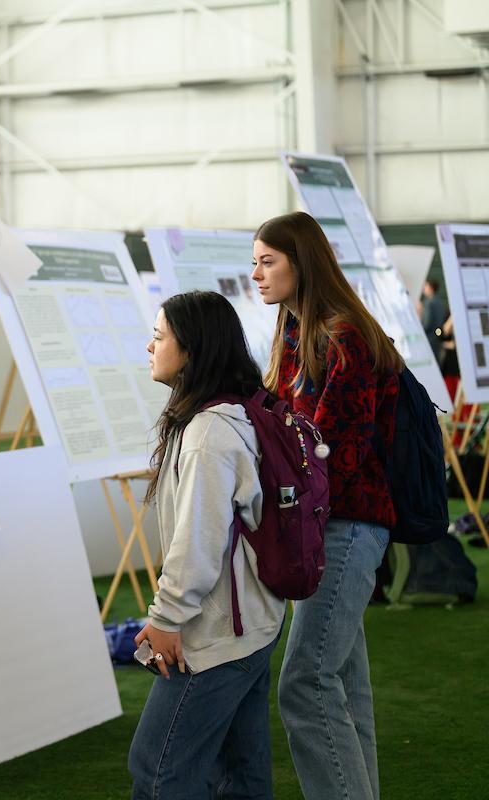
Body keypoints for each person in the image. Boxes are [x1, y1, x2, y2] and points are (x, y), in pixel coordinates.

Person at [253, 211, 401, 800]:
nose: (257, 274)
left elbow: (338, 450)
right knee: (339, 682)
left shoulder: (340, 335)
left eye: (268, 261)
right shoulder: (294, 331)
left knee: (306, 683)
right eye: (255, 262)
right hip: (325, 526)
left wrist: (280, 490)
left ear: (301, 262)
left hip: (347, 527)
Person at [128, 291, 284, 800]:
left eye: (159, 336)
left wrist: (167, 618)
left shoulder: (209, 432)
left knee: (158, 769)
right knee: (240, 775)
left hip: (216, 633)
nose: (150, 347)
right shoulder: (227, 414)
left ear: (191, 349)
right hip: (248, 625)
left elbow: (199, 542)